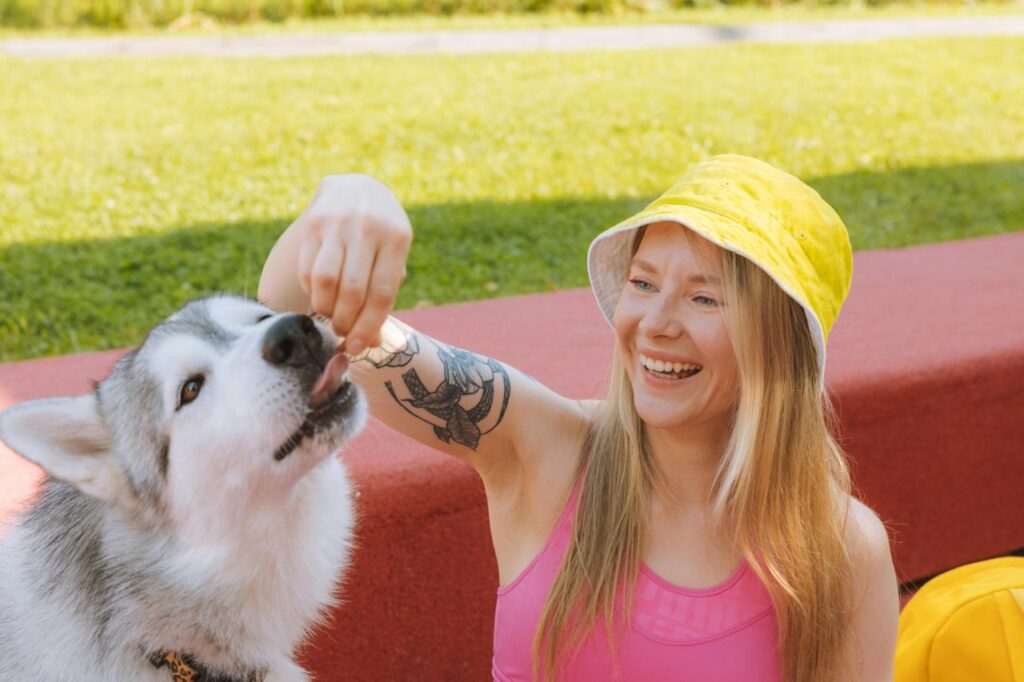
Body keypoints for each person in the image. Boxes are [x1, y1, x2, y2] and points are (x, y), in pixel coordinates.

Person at [258, 154, 899, 681]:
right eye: (643, 284)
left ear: (780, 343)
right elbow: (299, 316)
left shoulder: (841, 549)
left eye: (704, 297)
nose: (656, 324)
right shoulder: (545, 448)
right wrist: (345, 199)